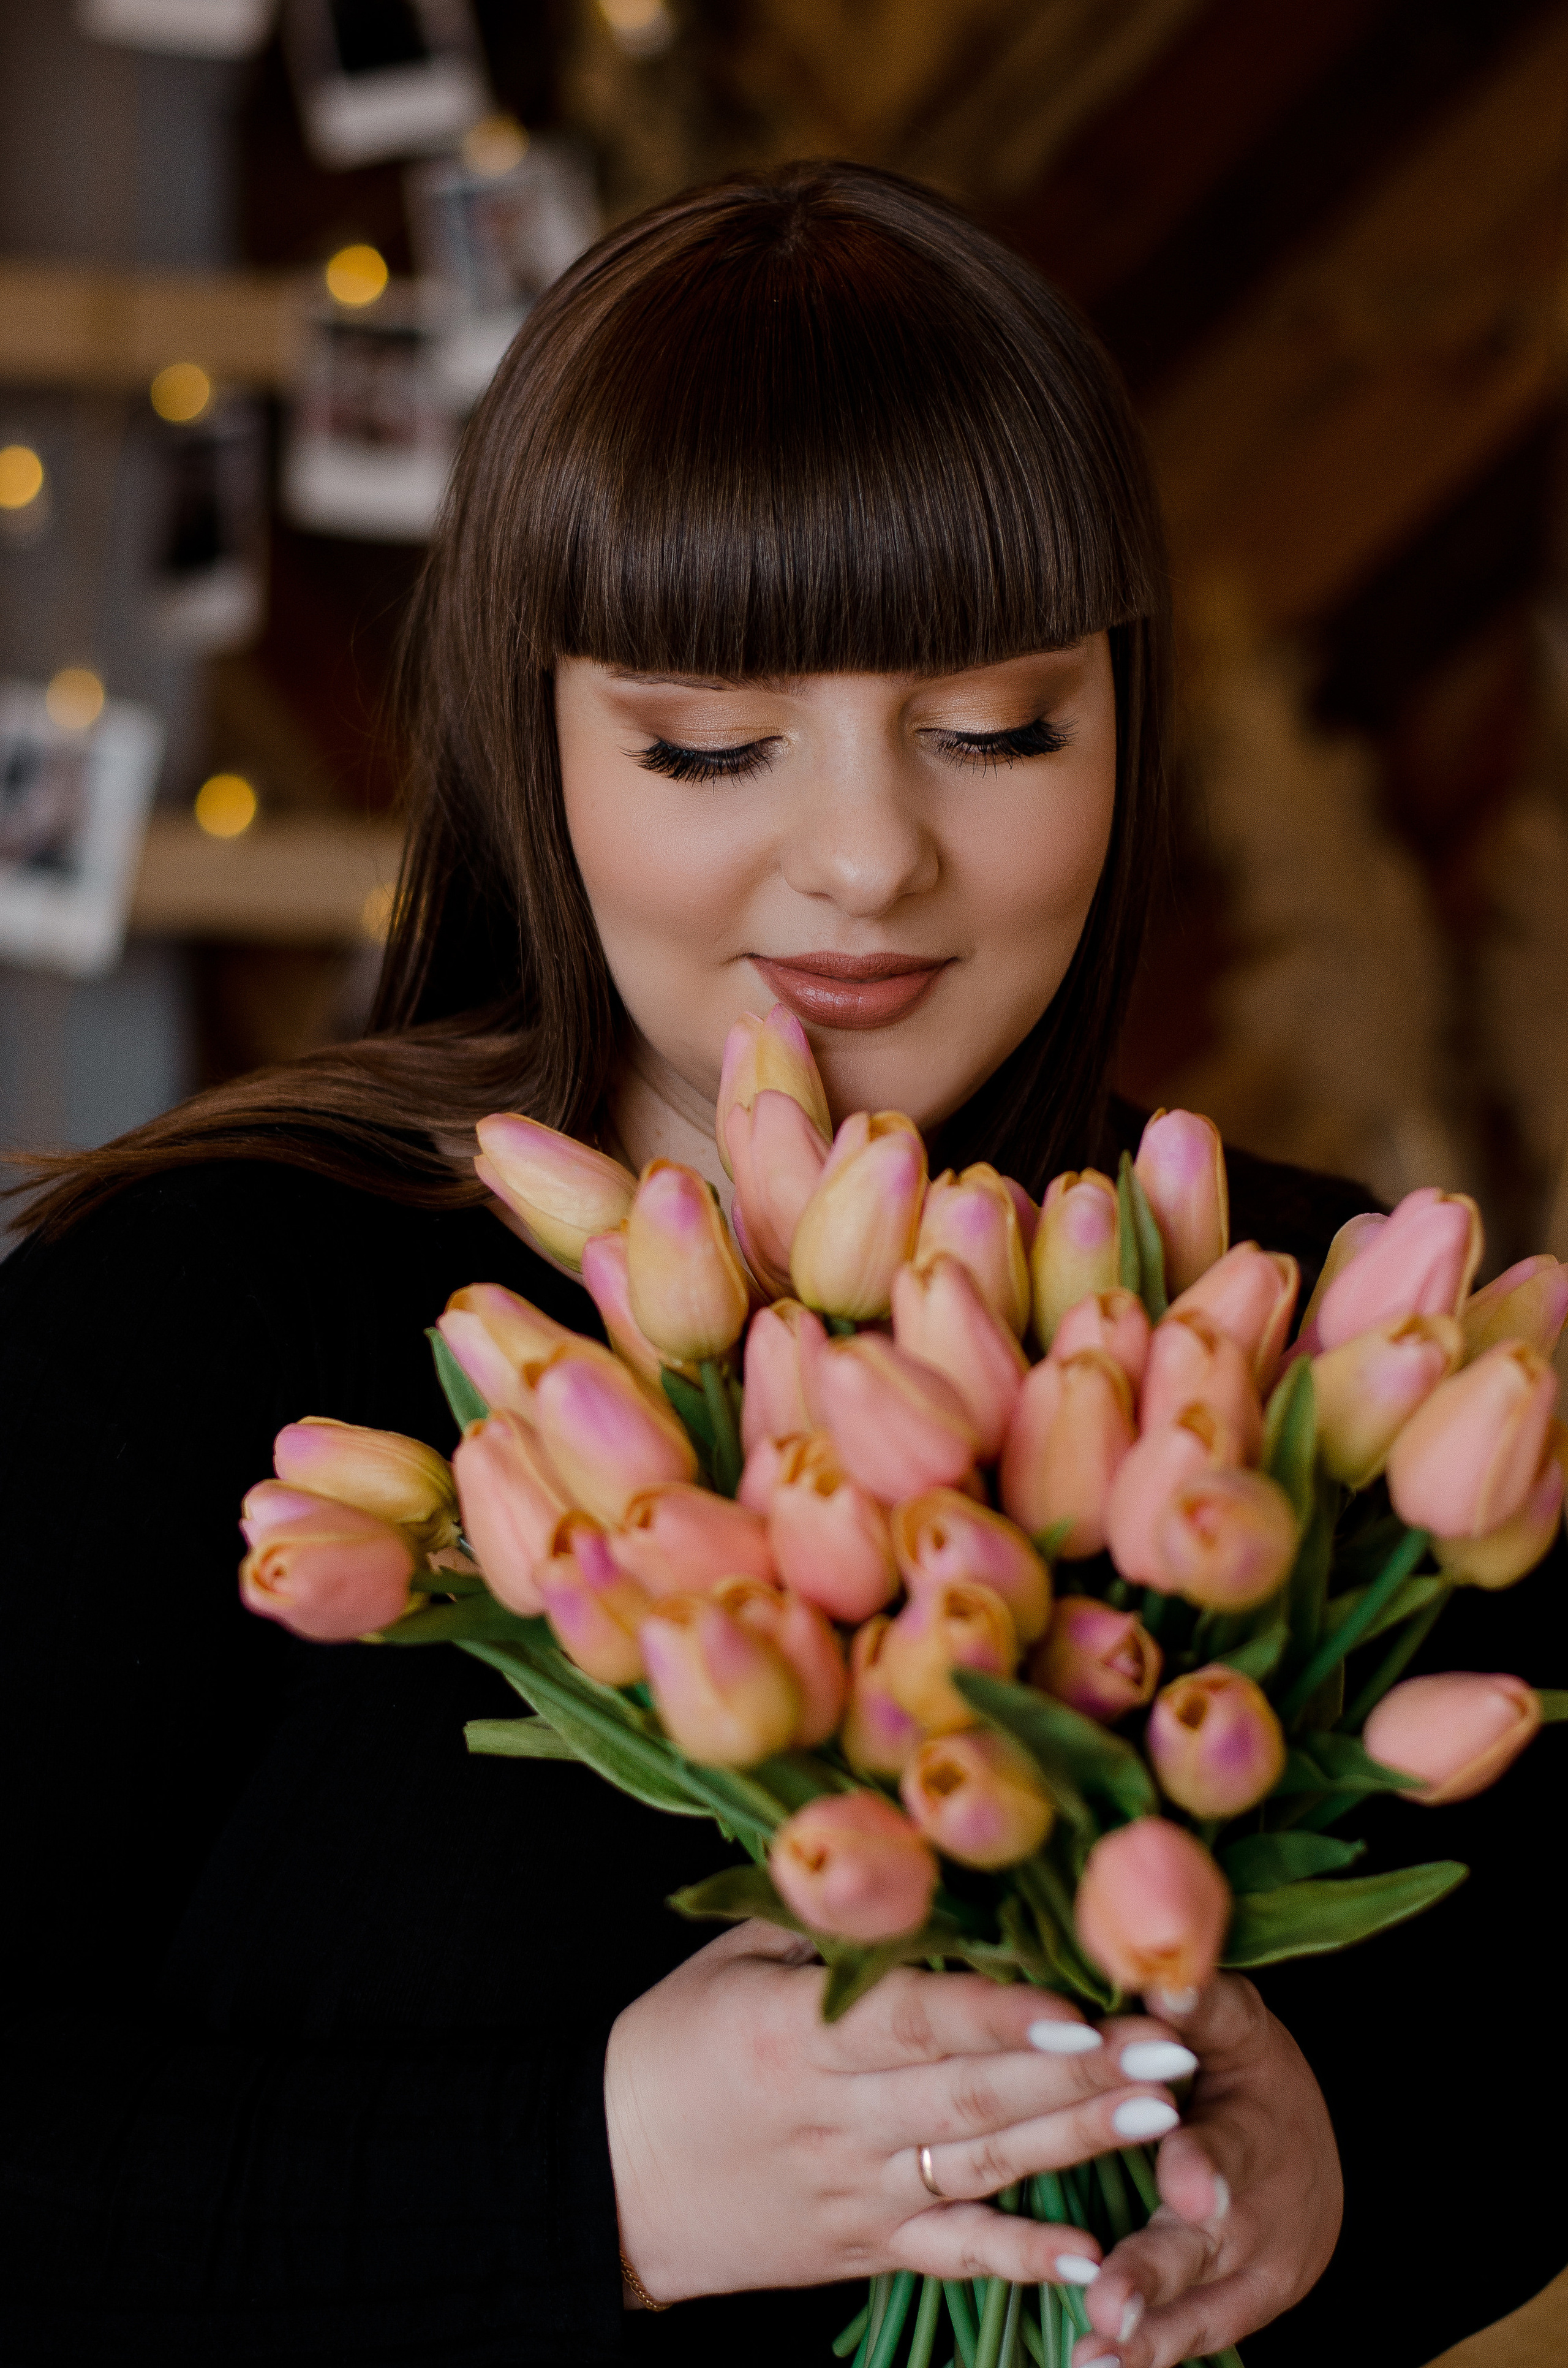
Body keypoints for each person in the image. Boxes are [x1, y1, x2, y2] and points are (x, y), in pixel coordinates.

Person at [0, 161, 1556, 2368]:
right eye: (712, 739)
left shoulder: (1339, 1346)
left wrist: (1334, 2162)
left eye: (998, 725)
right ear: (536, 738)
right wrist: (601, 2172)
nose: (865, 856)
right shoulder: (199, 1327)